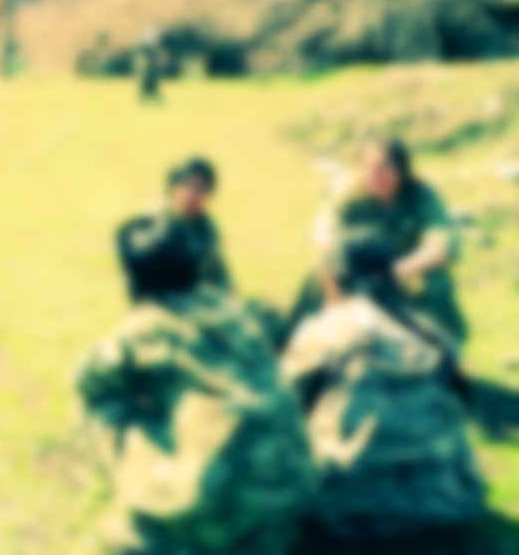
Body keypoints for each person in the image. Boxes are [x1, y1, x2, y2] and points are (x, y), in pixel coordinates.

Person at [76, 215, 316, 555]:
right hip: (290, 503)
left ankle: (153, 502)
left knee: (102, 404)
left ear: (130, 275)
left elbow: (88, 381)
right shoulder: (231, 309)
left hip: (218, 522)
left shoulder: (146, 325)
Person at [280, 233, 485, 549]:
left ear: (331, 278)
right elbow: (463, 403)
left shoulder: (325, 329)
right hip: (447, 503)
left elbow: (283, 407)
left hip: (347, 513)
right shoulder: (430, 331)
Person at [290, 138, 467, 344]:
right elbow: (323, 233)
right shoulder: (351, 194)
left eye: (385, 168)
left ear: (401, 169)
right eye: (369, 168)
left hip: (406, 270)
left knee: (436, 284)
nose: (376, 175)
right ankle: (291, 341)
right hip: (358, 271)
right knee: (316, 278)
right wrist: (334, 294)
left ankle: (443, 346)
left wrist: (397, 272)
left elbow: (443, 245)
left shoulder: (420, 195)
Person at [160, 157, 232, 291]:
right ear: (173, 187)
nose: (192, 194)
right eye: (186, 185)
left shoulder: (207, 229)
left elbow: (219, 273)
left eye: (200, 188)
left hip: (203, 297)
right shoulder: (158, 225)